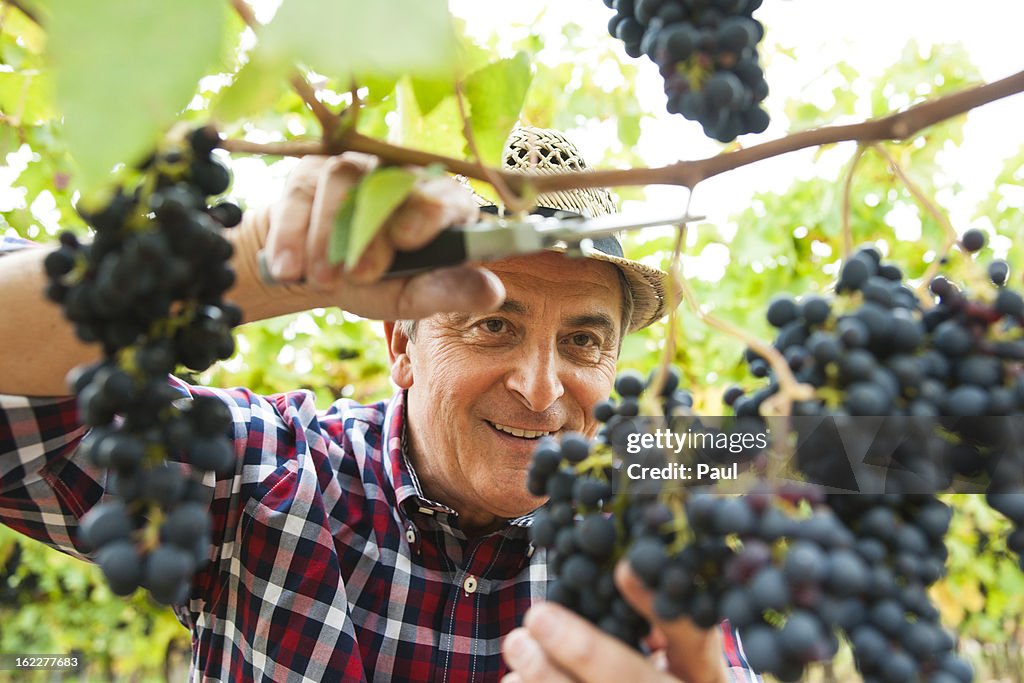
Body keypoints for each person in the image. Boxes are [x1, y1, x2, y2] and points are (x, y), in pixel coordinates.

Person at [0, 128, 760, 682]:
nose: (541, 387)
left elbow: (863, 452)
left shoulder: (655, 539)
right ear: (401, 345)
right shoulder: (261, 477)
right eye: (493, 323)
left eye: (585, 341)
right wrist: (262, 261)